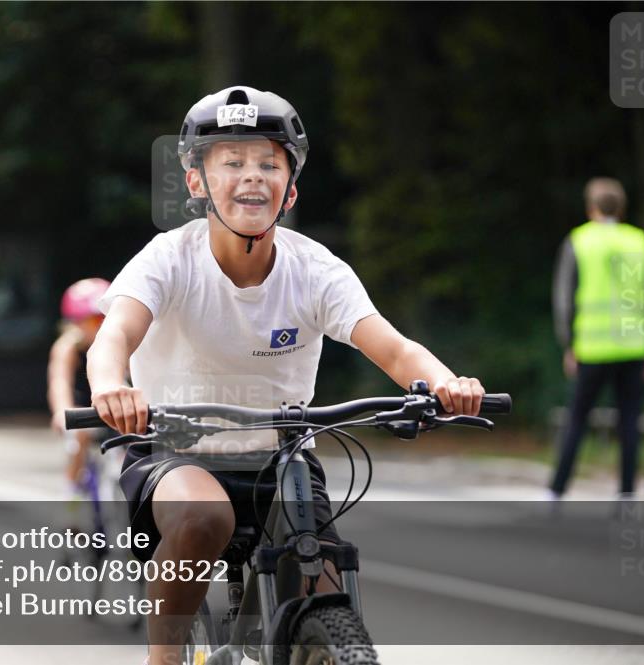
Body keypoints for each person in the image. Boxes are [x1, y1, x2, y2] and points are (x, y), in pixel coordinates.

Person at [85, 86, 487, 665]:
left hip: (284, 456)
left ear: (290, 188)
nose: (253, 175)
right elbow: (114, 337)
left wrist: (447, 383)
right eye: (232, 162)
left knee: (323, 579)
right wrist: (110, 388)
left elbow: (398, 351)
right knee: (203, 517)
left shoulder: (316, 269)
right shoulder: (168, 259)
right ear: (198, 182)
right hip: (178, 453)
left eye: (269, 164)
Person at [550, 177, 644, 500]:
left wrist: (568, 343)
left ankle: (557, 491)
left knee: (577, 420)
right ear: (622, 208)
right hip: (633, 347)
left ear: (591, 207)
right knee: (630, 424)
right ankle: (626, 494)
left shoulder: (578, 240)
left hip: (592, 348)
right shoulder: (640, 240)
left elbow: (564, 299)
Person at [47, 278, 112, 500]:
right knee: (79, 441)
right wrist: (61, 412)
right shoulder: (68, 348)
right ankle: (71, 498)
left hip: (109, 405)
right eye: (94, 320)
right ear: (75, 323)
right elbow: (60, 382)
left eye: (105, 318)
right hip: (81, 410)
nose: (101, 325)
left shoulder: (115, 343)